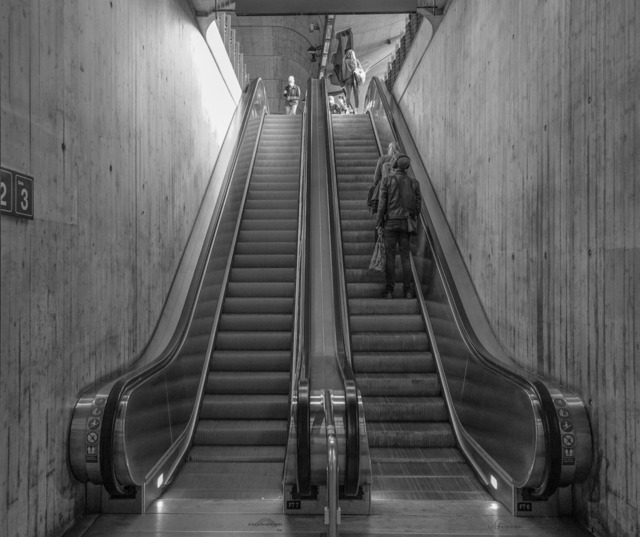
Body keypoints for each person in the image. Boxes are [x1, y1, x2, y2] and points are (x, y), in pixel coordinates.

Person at [375, 154, 421, 299]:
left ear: (395, 165)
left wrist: (378, 222)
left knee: (390, 258)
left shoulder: (387, 181)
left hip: (390, 223)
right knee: (405, 257)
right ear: (407, 167)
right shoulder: (414, 183)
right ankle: (408, 291)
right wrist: (411, 217)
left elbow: (382, 204)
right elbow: (418, 207)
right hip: (405, 224)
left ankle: (389, 291)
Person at [341, 49, 362, 113]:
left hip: (348, 80)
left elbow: (343, 71)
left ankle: (347, 109)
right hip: (355, 79)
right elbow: (360, 70)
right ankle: (356, 110)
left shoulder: (345, 61)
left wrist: (343, 79)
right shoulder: (356, 61)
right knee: (356, 95)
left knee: (348, 95)